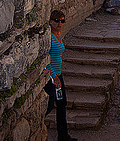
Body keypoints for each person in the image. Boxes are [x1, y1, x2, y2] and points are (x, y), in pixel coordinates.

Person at [44, 10, 77, 141]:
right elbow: (45, 58)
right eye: (57, 20)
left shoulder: (58, 34)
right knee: (50, 105)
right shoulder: (49, 37)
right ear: (50, 21)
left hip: (58, 75)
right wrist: (53, 76)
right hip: (52, 78)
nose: (59, 23)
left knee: (62, 103)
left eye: (62, 21)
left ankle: (63, 135)